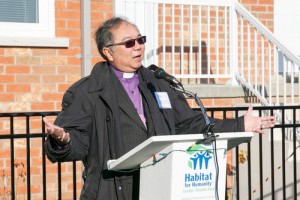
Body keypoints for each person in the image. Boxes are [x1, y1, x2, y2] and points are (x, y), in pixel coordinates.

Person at [43, 16, 276, 200]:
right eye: (129, 43)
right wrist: (63, 140)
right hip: (112, 191)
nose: (138, 47)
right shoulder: (88, 91)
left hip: (160, 186)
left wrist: (241, 124)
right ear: (108, 52)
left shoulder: (158, 83)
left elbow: (189, 124)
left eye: (140, 40)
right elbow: (77, 144)